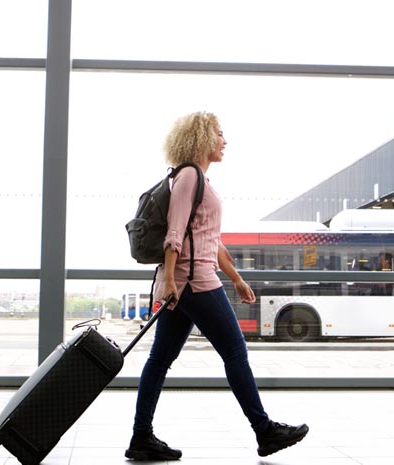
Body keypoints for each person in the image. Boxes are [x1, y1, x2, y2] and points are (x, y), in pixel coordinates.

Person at [125, 111, 309, 461]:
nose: (225, 140)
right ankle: (264, 431)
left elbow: (211, 241)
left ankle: (140, 437)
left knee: (159, 360)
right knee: (236, 352)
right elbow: (175, 234)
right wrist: (170, 283)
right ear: (202, 138)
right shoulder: (189, 176)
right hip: (192, 283)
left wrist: (237, 279)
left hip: (183, 283)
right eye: (219, 134)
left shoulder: (200, 181)